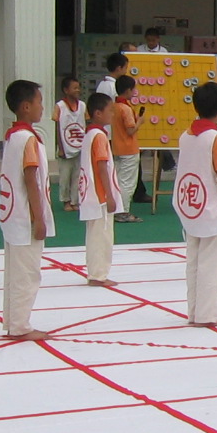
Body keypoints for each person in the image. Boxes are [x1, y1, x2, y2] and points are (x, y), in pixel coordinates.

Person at [175, 83, 217, 327]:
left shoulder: (185, 135)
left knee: (193, 261)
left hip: (190, 205)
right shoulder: (216, 138)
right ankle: (207, 315)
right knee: (211, 263)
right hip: (210, 205)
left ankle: (193, 311)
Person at [0, 80, 53, 341]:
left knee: (14, 272)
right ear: (26, 106)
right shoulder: (28, 139)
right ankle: (20, 325)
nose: (42, 107)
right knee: (27, 272)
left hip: (12, 213)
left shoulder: (13, 136)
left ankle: (12, 321)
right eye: (39, 102)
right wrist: (39, 217)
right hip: (25, 215)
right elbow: (30, 178)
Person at [78, 92, 121, 288]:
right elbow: (102, 165)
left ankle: (96, 272)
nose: (112, 114)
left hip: (91, 191)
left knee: (95, 235)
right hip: (99, 194)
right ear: (97, 113)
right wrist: (109, 194)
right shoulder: (99, 137)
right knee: (101, 236)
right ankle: (98, 274)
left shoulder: (90, 134)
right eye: (109, 111)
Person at [111, 75, 142, 224]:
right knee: (128, 182)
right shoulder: (125, 108)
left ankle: (116, 209)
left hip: (116, 147)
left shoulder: (113, 106)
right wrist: (140, 122)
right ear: (129, 90)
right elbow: (130, 130)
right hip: (128, 148)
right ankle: (123, 211)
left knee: (117, 180)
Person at [54, 76, 86, 212]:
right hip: (65, 146)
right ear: (66, 90)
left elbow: (87, 123)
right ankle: (65, 200)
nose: (77, 90)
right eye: (74, 88)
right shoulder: (60, 106)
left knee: (77, 175)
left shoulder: (83, 106)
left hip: (79, 145)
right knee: (65, 176)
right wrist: (60, 147)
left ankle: (75, 200)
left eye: (78, 87)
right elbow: (57, 126)